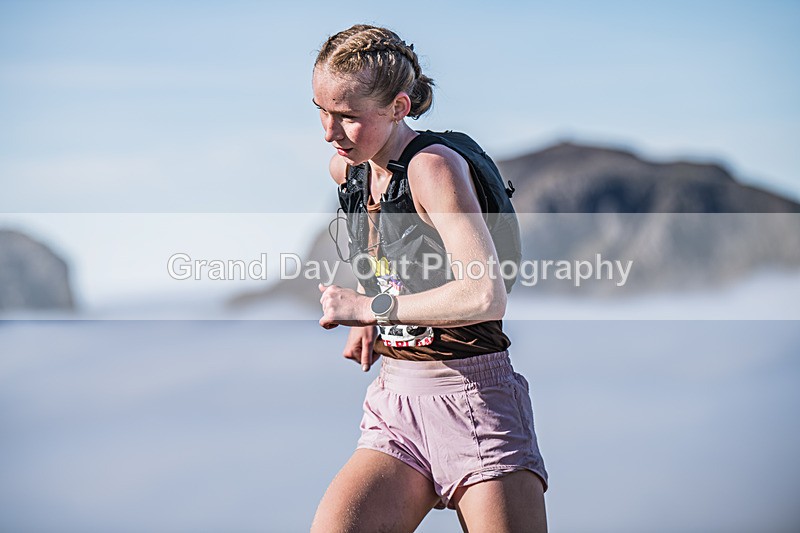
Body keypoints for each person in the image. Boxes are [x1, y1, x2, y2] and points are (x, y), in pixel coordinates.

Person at [310, 24, 548, 533]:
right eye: (321, 111)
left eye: (348, 117)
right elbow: (399, 256)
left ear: (399, 107)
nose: (329, 132)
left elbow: (485, 293)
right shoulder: (349, 171)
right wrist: (373, 313)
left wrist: (368, 309)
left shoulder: (432, 168)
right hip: (395, 403)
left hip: (473, 400)